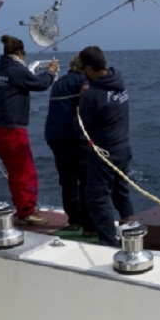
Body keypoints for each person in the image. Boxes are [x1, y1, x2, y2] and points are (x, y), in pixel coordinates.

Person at [0, 34, 58, 225]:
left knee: (15, 173)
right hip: (13, 132)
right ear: (20, 53)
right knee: (26, 172)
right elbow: (41, 84)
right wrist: (51, 71)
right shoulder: (17, 70)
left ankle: (22, 207)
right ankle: (27, 211)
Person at [77, 45, 134, 246]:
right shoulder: (118, 79)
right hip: (123, 148)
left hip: (104, 153)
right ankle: (131, 229)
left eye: (83, 68)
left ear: (89, 68)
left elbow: (84, 126)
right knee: (120, 190)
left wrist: (84, 96)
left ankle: (108, 244)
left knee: (97, 197)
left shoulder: (91, 96)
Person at [45, 53, 93, 232]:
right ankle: (89, 223)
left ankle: (74, 220)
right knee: (86, 179)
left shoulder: (59, 82)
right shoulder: (83, 82)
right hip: (74, 136)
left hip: (54, 135)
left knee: (67, 179)